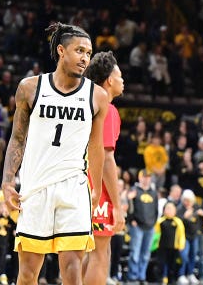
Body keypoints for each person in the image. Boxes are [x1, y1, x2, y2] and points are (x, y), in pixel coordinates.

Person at [1, 22, 108, 285]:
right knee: (27, 275)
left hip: (74, 186)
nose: (85, 58)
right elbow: (17, 138)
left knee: (72, 269)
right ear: (61, 50)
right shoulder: (30, 88)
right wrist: (6, 181)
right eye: (79, 50)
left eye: (89, 53)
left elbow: (96, 147)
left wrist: (95, 188)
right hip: (36, 187)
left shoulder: (97, 96)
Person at [81, 50, 126, 285]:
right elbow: (107, 158)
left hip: (82, 186)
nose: (122, 80)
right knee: (101, 253)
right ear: (109, 80)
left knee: (84, 252)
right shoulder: (107, 109)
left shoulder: (87, 105)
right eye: (119, 76)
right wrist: (117, 205)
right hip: (97, 188)